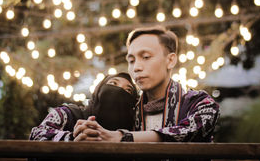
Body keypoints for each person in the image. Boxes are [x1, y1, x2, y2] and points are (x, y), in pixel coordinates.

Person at [73, 26, 220, 143]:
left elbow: (190, 131)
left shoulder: (199, 103)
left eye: (146, 57)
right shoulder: (129, 111)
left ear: (170, 60)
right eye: (131, 61)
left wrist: (123, 137)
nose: (136, 67)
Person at [29, 72, 138, 141]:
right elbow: (36, 135)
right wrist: (72, 138)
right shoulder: (66, 114)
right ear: (98, 90)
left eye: (128, 90)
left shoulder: (133, 131)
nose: (119, 91)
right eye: (113, 83)